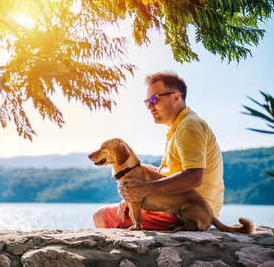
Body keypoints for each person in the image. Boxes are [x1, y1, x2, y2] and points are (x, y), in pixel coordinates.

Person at [93, 71, 224, 229]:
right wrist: (131, 195)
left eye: (154, 99)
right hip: (178, 202)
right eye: (147, 101)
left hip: (186, 211)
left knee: (100, 215)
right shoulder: (177, 128)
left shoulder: (188, 126)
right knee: (143, 168)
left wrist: (143, 189)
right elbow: (159, 172)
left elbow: (194, 177)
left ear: (175, 97)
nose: (149, 106)